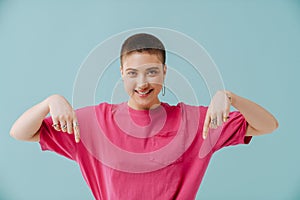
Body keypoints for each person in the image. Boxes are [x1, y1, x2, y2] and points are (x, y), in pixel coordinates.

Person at [10, 33, 278, 200]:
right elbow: (20, 132)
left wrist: (229, 97)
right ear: (121, 73)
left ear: (164, 72)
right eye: (132, 73)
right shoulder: (93, 123)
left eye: (151, 72)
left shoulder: (195, 122)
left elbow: (268, 125)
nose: (142, 83)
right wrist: (50, 102)